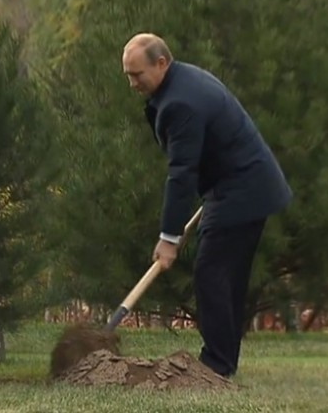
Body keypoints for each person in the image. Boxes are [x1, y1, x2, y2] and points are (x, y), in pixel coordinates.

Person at [121, 33, 292, 378]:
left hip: (243, 188)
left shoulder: (180, 102)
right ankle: (223, 362)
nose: (132, 83)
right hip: (242, 184)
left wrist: (169, 238)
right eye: (127, 75)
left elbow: (182, 173)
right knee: (227, 276)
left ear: (161, 63)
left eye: (137, 74)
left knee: (212, 271)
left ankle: (215, 364)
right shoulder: (182, 81)